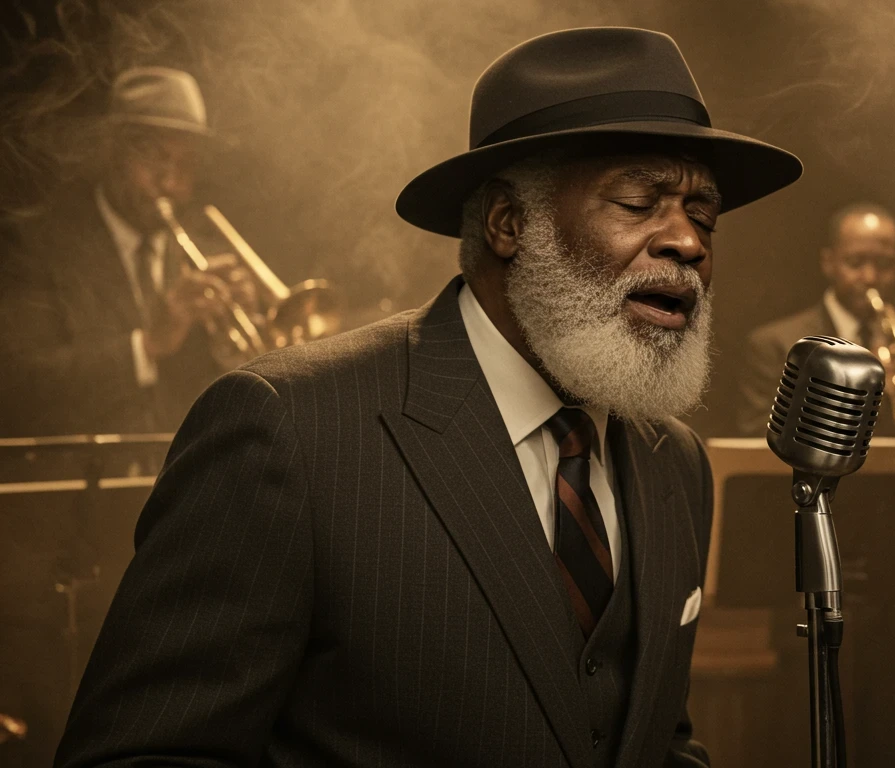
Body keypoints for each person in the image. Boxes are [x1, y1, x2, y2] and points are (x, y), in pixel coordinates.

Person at [53, 27, 801, 768]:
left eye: (703, 214)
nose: (689, 242)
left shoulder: (676, 465)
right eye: (641, 201)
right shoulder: (288, 429)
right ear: (511, 224)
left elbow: (653, 740)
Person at [0, 67, 233, 438]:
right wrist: (146, 346)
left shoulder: (208, 259)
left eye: (185, 164)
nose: (169, 182)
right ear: (111, 151)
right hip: (77, 489)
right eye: (154, 157)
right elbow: (16, 388)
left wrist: (239, 360)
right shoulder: (35, 246)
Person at [737, 202, 895, 435]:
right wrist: (858, 395)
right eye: (855, 262)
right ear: (828, 262)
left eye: (884, 264)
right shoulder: (775, 345)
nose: (870, 277)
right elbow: (758, 435)